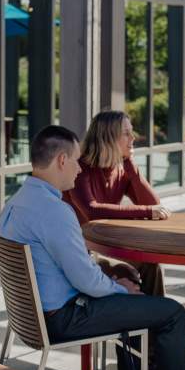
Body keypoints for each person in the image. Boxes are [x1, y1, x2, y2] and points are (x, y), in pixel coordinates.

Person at [0, 125, 185, 370]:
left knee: (134, 303)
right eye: (75, 160)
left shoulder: (16, 203)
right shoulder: (54, 210)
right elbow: (85, 280)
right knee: (171, 312)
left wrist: (116, 285)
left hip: (32, 318)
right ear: (61, 160)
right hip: (63, 318)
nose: (78, 169)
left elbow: (79, 272)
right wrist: (122, 289)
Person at [64, 109, 170, 297]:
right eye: (126, 133)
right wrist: (147, 210)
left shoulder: (120, 169)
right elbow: (92, 210)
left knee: (151, 265)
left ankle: (158, 320)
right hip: (77, 254)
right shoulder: (80, 168)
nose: (133, 138)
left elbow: (153, 204)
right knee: (127, 276)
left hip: (103, 244)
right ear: (109, 138)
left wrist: (131, 166)